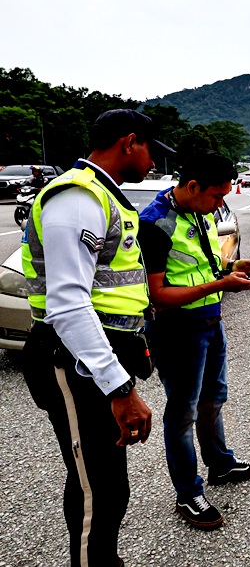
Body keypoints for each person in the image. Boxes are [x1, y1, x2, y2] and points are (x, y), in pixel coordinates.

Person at [20, 109, 168, 566]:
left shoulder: (104, 196)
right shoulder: (78, 198)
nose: (154, 164)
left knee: (107, 482)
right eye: (151, 151)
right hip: (71, 364)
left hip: (92, 365)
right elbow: (68, 304)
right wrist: (119, 388)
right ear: (129, 142)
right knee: (97, 488)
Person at [138, 150, 250, 529]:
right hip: (176, 331)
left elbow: (201, 265)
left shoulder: (199, 212)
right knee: (182, 414)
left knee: (214, 398)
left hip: (210, 322)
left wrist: (231, 268)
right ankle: (188, 493)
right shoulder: (155, 224)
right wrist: (221, 284)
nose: (220, 204)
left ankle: (221, 465)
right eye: (216, 196)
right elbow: (156, 294)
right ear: (192, 186)